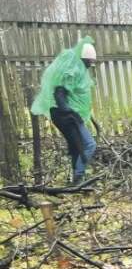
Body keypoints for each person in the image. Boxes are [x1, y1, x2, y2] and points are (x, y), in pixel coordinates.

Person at [31, 36, 97, 185]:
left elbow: (72, 94)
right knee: (89, 144)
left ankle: (77, 179)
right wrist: (69, 113)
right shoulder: (72, 69)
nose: (90, 65)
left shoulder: (78, 69)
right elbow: (59, 92)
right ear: (84, 59)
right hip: (64, 115)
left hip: (66, 114)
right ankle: (79, 176)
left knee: (76, 145)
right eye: (89, 62)